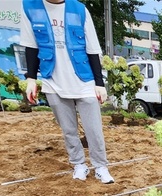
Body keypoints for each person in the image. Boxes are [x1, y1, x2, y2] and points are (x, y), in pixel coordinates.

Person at [20, 0, 114, 184]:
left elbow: (92, 48)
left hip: (83, 79)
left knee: (94, 129)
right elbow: (31, 46)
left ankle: (100, 166)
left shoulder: (79, 10)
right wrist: (31, 78)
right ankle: (79, 164)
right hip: (53, 79)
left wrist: (99, 82)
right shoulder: (30, 7)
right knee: (68, 129)